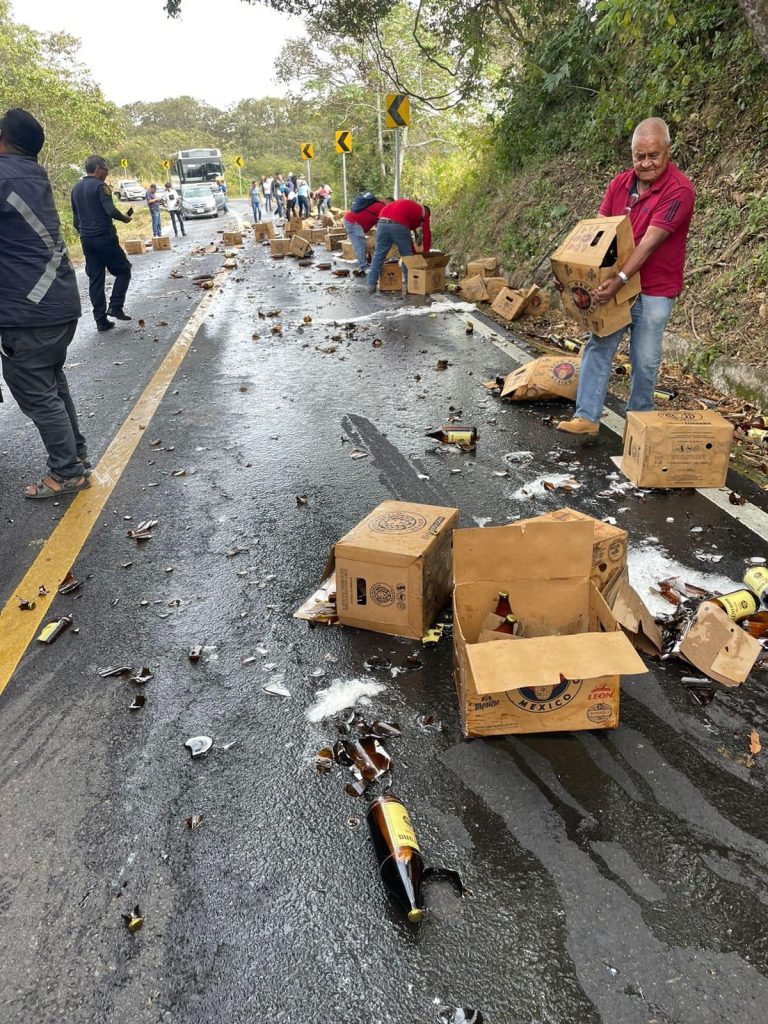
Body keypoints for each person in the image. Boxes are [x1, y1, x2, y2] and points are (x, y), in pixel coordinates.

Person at [557, 117, 695, 436]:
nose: (645, 164)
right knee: (599, 343)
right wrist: (574, 270)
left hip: (654, 289)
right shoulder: (620, 184)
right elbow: (598, 233)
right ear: (631, 154)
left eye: (653, 156)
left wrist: (618, 278)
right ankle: (587, 417)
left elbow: (648, 243)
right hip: (615, 282)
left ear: (668, 151)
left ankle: (639, 423)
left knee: (644, 359)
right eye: (639, 156)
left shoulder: (679, 190)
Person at [0, 108, 90, 499]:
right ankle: (78, 457)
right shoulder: (32, 174)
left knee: (37, 393)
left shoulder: (4, 176)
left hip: (29, 310)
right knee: (53, 386)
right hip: (57, 304)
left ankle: (67, 472)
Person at [71, 154, 133, 332]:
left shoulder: (76, 189)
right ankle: (115, 305)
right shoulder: (101, 186)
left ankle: (100, 320)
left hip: (86, 240)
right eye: (106, 170)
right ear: (98, 169)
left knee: (96, 279)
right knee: (123, 270)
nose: (107, 174)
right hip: (104, 237)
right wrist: (125, 218)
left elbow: (76, 220)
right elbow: (110, 210)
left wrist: (85, 234)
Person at [367, 198, 430, 292]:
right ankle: (411, 285)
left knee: (378, 255)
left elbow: (408, 238)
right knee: (406, 256)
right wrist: (426, 253)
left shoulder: (412, 207)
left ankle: (371, 285)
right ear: (427, 213)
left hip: (381, 222)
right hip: (398, 224)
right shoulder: (425, 213)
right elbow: (427, 233)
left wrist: (414, 251)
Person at [343, 192, 386, 274]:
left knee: (362, 245)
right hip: (353, 222)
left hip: (351, 220)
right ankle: (363, 268)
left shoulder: (377, 205)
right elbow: (384, 225)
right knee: (360, 246)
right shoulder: (382, 208)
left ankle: (366, 265)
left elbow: (380, 225)